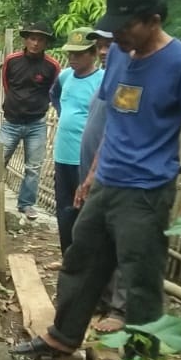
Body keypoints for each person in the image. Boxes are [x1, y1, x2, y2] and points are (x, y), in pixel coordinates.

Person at [10, 0, 181, 360]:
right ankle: (63, 337)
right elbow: (115, 123)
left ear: (152, 20)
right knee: (81, 261)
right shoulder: (120, 54)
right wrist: (90, 176)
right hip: (107, 182)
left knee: (140, 279)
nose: (115, 36)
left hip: (146, 190)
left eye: (125, 26)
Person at [0, 22, 60, 217]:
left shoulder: (52, 66)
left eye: (40, 39)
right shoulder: (12, 60)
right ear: (26, 39)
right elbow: (7, 85)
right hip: (11, 123)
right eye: (32, 38)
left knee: (33, 167)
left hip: (37, 124)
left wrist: (36, 106)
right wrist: (16, 106)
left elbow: (53, 91)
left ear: (46, 43)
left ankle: (26, 204)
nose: (35, 43)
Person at [78, 25, 126, 329]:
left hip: (119, 178)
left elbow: (119, 133)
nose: (105, 51)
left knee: (120, 242)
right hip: (96, 176)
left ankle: (120, 310)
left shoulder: (130, 84)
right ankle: (103, 299)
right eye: (101, 46)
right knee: (98, 241)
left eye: (111, 44)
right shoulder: (108, 83)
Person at [48, 30, 104, 253]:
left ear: (93, 54)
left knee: (86, 211)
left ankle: (86, 261)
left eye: (79, 54)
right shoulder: (65, 76)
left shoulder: (102, 80)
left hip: (86, 159)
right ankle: (67, 258)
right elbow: (54, 94)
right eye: (70, 54)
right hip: (62, 155)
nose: (73, 59)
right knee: (64, 210)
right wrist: (64, 114)